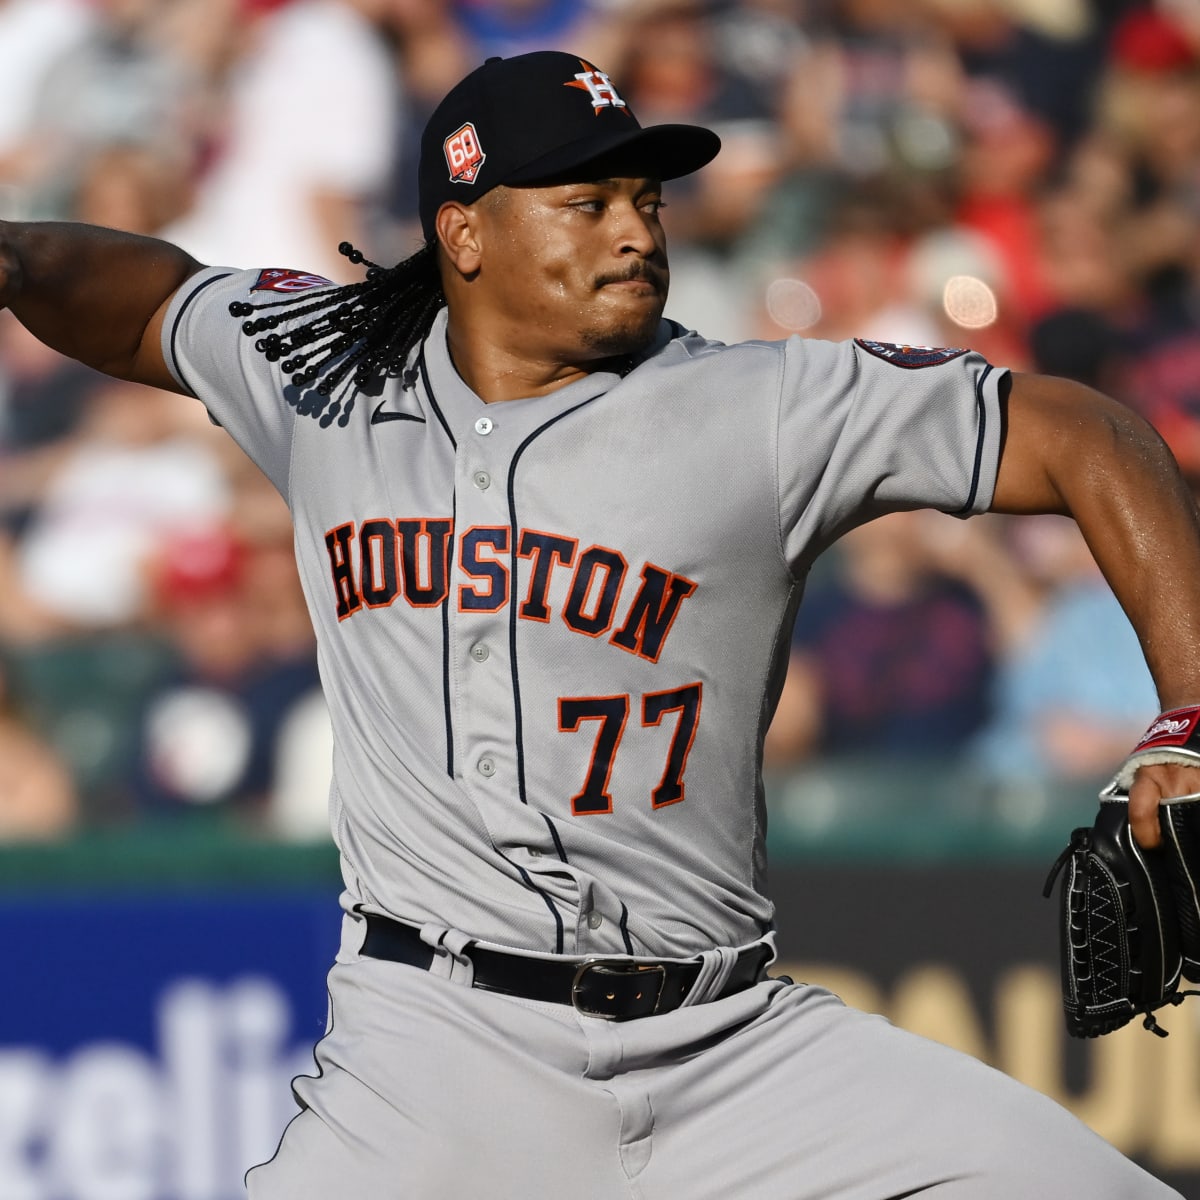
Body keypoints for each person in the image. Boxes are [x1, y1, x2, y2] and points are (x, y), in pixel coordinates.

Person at [1, 48, 1198, 1200]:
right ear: (464, 232)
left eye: (645, 196)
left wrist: (1190, 713)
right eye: (586, 202)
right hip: (435, 1058)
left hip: (734, 1049)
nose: (636, 230)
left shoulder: (758, 407)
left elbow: (1089, 435)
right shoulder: (331, 371)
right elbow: (149, 298)